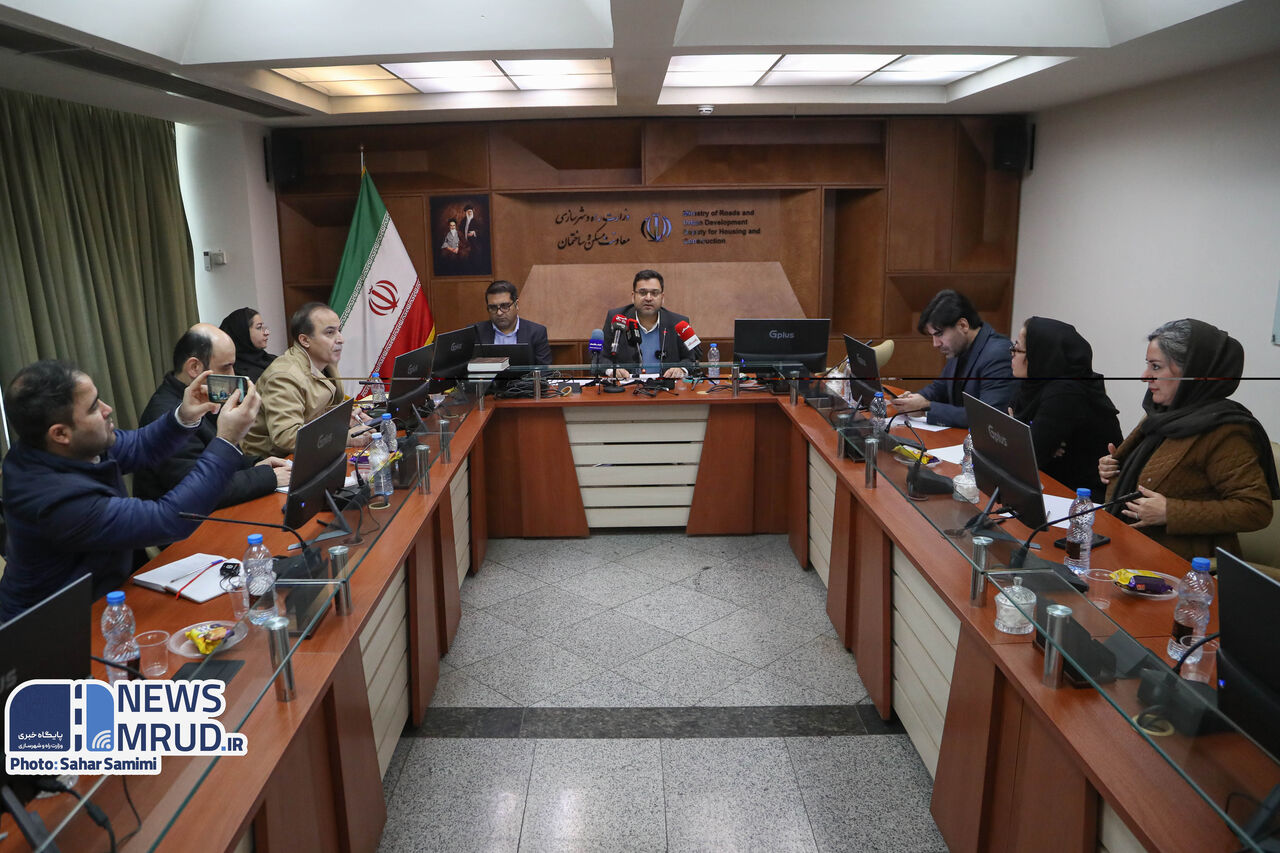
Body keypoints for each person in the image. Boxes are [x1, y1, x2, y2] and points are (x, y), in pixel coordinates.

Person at [0, 359, 260, 620]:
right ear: (60, 434)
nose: (107, 409)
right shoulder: (55, 502)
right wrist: (227, 441)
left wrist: (185, 415)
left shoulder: (60, 446)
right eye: (93, 407)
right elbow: (167, 519)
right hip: (53, 626)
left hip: (103, 600)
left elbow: (139, 445)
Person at [1099, 318, 1278, 560]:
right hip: (1129, 544)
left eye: (1156, 367)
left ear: (1192, 372)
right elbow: (1149, 475)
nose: (1145, 376)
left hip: (1184, 564)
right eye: (1148, 365)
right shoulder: (1161, 414)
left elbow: (1256, 509)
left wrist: (1171, 512)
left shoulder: (1225, 431)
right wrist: (1114, 467)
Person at [134, 323, 291, 508]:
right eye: (226, 367)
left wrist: (256, 465)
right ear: (194, 367)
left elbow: (218, 460)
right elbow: (198, 489)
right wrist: (267, 477)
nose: (233, 375)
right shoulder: (167, 415)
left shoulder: (202, 395)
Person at [1009, 317, 1121, 495]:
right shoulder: (1035, 383)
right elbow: (1009, 433)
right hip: (1051, 479)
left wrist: (1025, 437)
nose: (1012, 353)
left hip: (1081, 496)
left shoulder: (1066, 392)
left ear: (1040, 354)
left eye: (1018, 348)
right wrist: (1028, 437)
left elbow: (1027, 455)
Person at [243, 302, 352, 458]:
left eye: (338, 331)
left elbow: (315, 411)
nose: (340, 339)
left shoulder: (325, 363)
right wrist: (345, 437)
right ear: (305, 340)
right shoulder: (284, 376)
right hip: (277, 461)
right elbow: (288, 438)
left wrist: (347, 419)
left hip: (310, 452)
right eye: (330, 332)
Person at [894, 289, 1014, 428]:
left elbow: (987, 416)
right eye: (932, 336)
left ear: (963, 325)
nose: (935, 344)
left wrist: (925, 408)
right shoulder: (959, 346)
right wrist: (915, 400)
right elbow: (940, 388)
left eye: (939, 334)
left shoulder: (998, 354)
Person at [601, 269, 698, 380]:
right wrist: (612, 370)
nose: (648, 298)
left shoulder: (678, 322)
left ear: (662, 298)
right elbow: (601, 357)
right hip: (627, 386)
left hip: (666, 387)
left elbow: (691, 358)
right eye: (642, 293)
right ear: (633, 296)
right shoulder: (617, 319)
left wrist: (681, 369)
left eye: (654, 293)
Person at [468, 280, 552, 365]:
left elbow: (544, 369)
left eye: (505, 306)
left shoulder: (536, 332)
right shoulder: (474, 332)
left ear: (516, 304)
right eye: (493, 307)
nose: (499, 313)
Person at [219, 306, 276, 383]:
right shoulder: (235, 374)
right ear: (242, 333)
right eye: (259, 327)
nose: (267, 333)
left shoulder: (272, 360)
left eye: (263, 327)